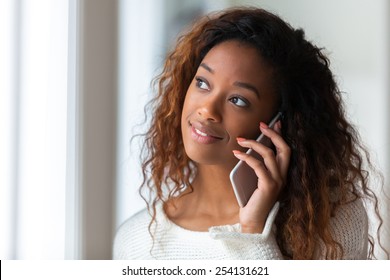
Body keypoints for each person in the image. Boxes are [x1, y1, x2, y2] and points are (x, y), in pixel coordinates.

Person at [113, 7, 386, 260]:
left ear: (279, 123)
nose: (207, 109)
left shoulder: (329, 222)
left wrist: (254, 232)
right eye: (203, 83)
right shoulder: (136, 241)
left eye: (238, 100)